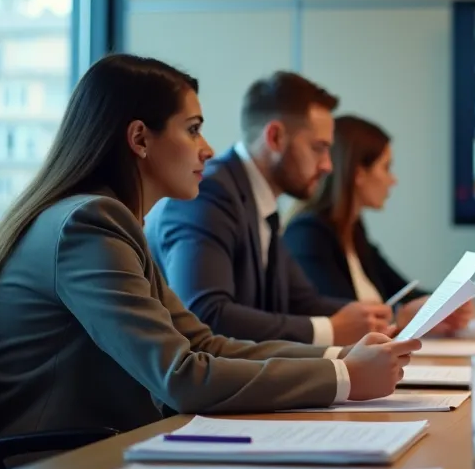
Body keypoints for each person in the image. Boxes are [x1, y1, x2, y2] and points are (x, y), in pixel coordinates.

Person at [0, 55, 418, 439]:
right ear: (139, 139)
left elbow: (206, 344)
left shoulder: (108, 221)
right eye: (193, 130)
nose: (208, 149)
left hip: (95, 452)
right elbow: (181, 376)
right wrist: (343, 376)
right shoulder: (91, 224)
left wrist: (345, 357)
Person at [146, 72, 392, 345]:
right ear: (275, 137)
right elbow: (205, 314)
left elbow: (301, 301)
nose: (327, 165)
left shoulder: (258, 201)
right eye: (318, 148)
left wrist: (379, 319)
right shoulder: (208, 194)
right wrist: (329, 330)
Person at [284, 116, 474, 334]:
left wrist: (446, 303)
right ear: (359, 174)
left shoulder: (352, 230)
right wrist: (401, 316)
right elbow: (344, 320)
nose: (393, 180)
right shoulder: (308, 235)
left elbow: (403, 290)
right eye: (386, 168)